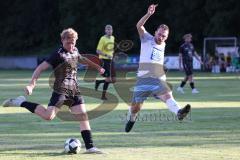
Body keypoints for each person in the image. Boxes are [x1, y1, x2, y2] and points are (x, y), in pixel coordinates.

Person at [2, 28, 104, 154]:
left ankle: (90, 147)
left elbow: (81, 58)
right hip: (61, 90)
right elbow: (40, 68)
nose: (71, 45)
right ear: (62, 40)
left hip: (74, 90)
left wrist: (98, 67)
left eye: (73, 42)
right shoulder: (57, 54)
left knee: (83, 116)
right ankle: (20, 102)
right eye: (68, 43)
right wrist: (31, 85)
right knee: (48, 116)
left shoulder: (75, 50)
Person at [125, 4, 191, 133]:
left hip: (157, 78)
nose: (161, 37)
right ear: (155, 32)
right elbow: (139, 26)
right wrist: (149, 14)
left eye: (164, 36)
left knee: (167, 95)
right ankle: (132, 119)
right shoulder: (146, 38)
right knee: (135, 108)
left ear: (166, 37)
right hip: (143, 79)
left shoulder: (163, 44)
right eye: (159, 34)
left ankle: (179, 112)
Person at [95, 25, 116, 100]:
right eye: (107, 30)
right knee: (108, 79)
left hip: (110, 60)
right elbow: (98, 51)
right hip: (104, 60)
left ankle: (98, 82)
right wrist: (107, 55)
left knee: (113, 80)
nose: (109, 31)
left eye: (110, 29)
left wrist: (112, 54)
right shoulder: (102, 39)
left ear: (112, 30)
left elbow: (111, 48)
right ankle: (103, 96)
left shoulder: (113, 38)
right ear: (105, 31)